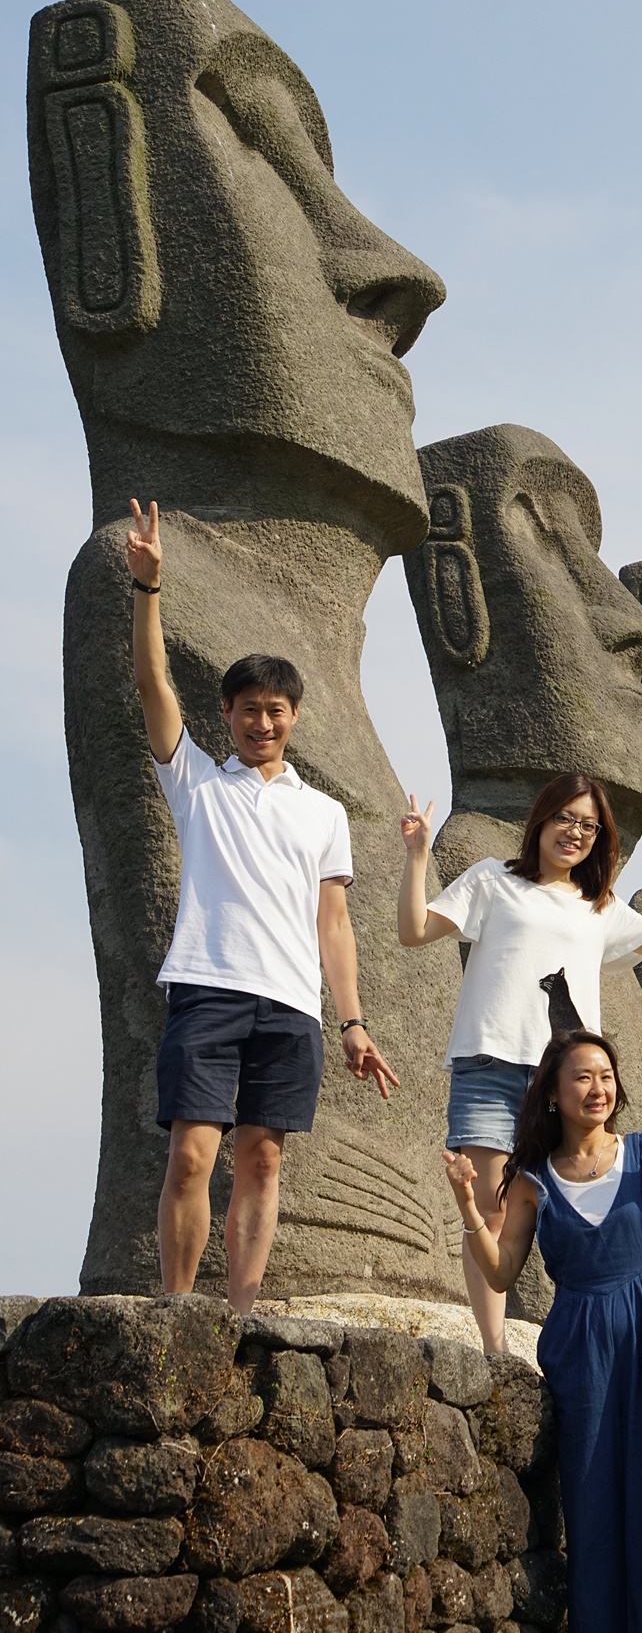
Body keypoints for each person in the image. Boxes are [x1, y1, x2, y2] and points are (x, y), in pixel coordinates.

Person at [398, 769, 642, 1349]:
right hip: (490, 1066)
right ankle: (493, 1350)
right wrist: (417, 855)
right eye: (565, 818)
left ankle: (582, 1330)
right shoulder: (492, 879)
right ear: (541, 820)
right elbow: (414, 931)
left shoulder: (601, 908)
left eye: (589, 826)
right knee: (491, 1209)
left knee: (571, 1203)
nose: (575, 833)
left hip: (569, 1081)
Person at [127, 498, 398, 1312]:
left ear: (294, 718)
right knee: (191, 1155)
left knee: (264, 1160)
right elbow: (152, 684)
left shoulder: (325, 813)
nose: (261, 722)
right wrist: (149, 590)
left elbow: (333, 924)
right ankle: (178, 1310)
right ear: (228, 715)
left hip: (290, 1005)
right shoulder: (198, 785)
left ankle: (241, 1313)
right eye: (248, 709)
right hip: (207, 988)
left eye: (275, 710)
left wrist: (351, 1021)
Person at [444, 1028, 642, 1633]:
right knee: (593, 1514)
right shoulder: (532, 1180)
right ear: (552, 1093)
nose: (598, 1088)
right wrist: (467, 1206)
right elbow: (501, 1272)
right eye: (583, 1077)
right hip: (580, 1353)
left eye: (606, 1076)